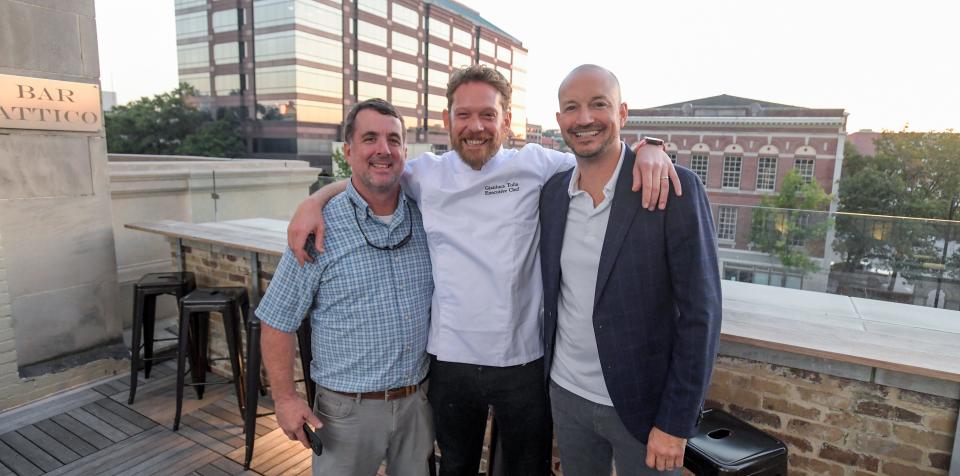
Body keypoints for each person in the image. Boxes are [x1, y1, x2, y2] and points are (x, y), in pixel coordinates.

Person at [286, 65, 680, 476]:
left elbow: (600, 154)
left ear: (506, 122)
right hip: (450, 363)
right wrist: (313, 202)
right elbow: (369, 179)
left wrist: (651, 147)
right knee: (456, 466)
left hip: (523, 361)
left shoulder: (538, 164)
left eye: (488, 115)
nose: (476, 127)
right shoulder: (426, 174)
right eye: (464, 115)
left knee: (527, 468)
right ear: (447, 121)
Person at [539, 65, 722, 475]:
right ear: (559, 121)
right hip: (566, 395)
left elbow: (702, 316)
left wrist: (675, 423)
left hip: (645, 408)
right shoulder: (552, 194)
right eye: (572, 108)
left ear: (622, 113)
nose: (584, 118)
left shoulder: (674, 189)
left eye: (598, 104)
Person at [256, 98, 435, 476]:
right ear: (349, 151)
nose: (383, 150)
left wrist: (316, 194)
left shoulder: (428, 217)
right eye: (370, 139)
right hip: (345, 414)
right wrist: (285, 399)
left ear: (405, 150)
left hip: (417, 402)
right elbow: (277, 319)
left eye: (394, 139)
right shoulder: (319, 229)